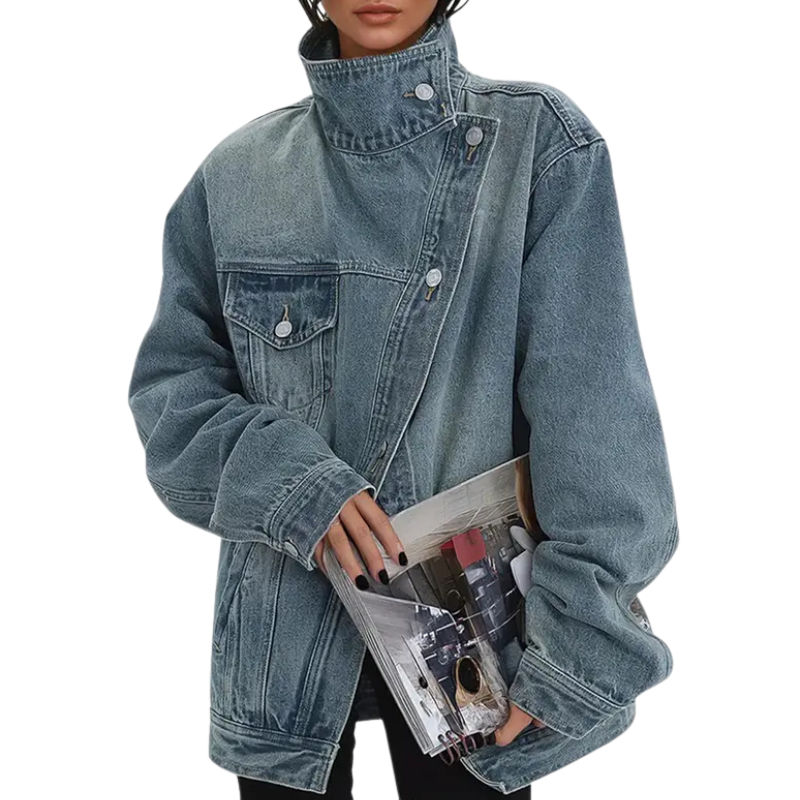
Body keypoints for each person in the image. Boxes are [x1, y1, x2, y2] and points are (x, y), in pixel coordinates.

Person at [127, 0, 679, 798]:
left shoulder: (538, 148)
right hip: (281, 655)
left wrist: (574, 655)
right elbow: (173, 399)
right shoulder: (239, 176)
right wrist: (300, 489)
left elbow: (598, 427)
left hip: (487, 653)